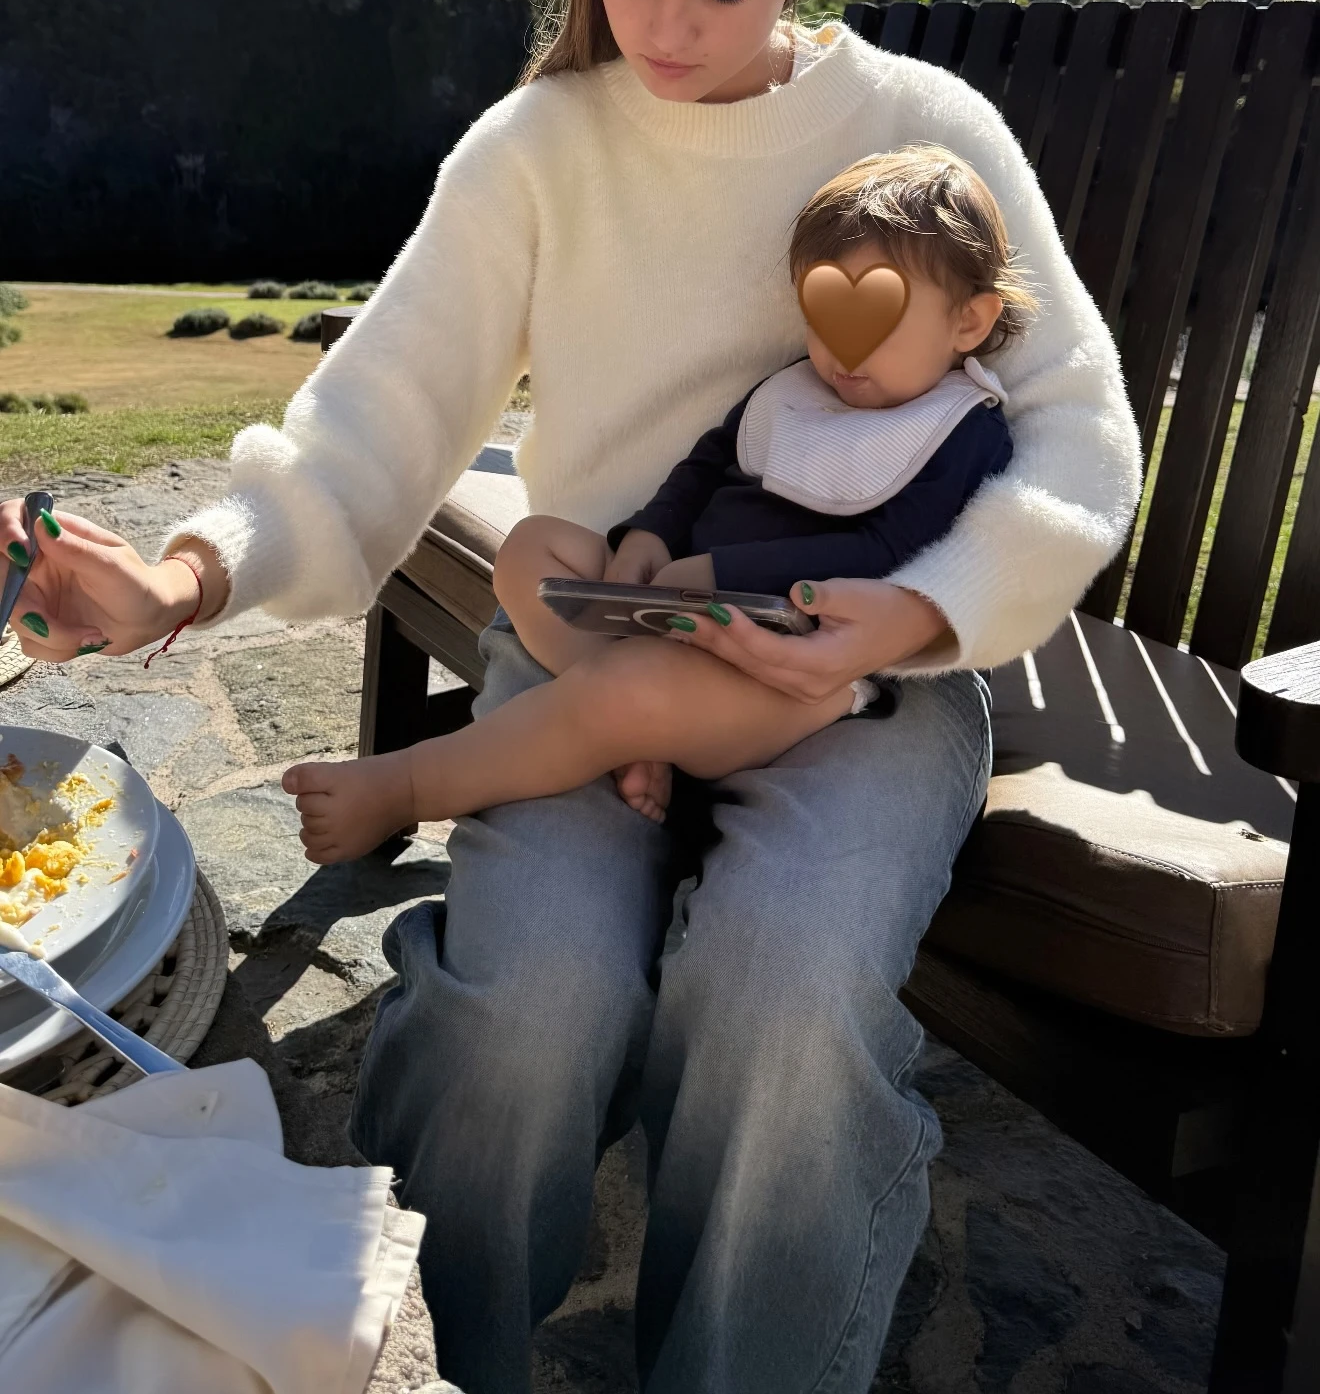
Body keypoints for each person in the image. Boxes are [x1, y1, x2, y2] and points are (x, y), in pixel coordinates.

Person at [2, 0, 1142, 1394]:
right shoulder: (539, 145)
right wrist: (184, 570)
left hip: (864, 678)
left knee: (787, 995)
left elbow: (1079, 428)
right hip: (592, 648)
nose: (667, 27)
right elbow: (375, 418)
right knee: (525, 1018)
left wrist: (916, 615)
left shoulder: (923, 132)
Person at [281, 145, 1034, 859]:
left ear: (968, 321)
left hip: (785, 670)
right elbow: (707, 463)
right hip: (675, 605)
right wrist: (652, 533)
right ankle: (633, 734)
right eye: (823, 310)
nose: (842, 345)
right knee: (532, 549)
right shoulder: (798, 388)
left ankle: (411, 786)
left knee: (627, 689)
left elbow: (888, 554)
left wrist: (717, 574)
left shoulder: (963, 433)